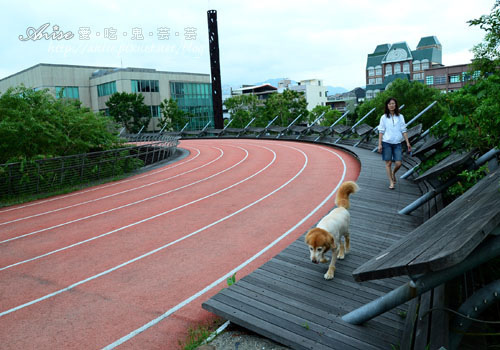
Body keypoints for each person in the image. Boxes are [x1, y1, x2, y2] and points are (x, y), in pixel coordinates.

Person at [377, 97, 412, 189]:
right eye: (389, 104)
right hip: (386, 143)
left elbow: (404, 130)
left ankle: (393, 173)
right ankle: (391, 182)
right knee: (388, 163)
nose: (391, 105)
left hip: (397, 143)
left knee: (398, 163)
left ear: (395, 105)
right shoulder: (383, 117)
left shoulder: (400, 117)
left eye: (393, 103)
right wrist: (379, 144)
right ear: (387, 106)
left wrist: (408, 142)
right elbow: (381, 131)